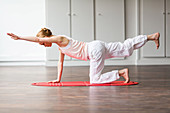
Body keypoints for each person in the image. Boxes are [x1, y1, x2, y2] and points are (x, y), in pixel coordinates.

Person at [7, 28, 160, 84]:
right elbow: (60, 64)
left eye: (43, 43)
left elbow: (39, 39)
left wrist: (20, 37)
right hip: (96, 46)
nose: (43, 45)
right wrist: (58, 79)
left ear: (46, 38)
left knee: (94, 80)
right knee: (124, 49)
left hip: (93, 51)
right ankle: (149, 37)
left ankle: (119, 73)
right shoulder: (61, 48)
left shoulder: (59, 38)